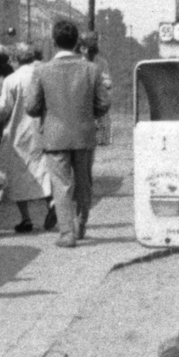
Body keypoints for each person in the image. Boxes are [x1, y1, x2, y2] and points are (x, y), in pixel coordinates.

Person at [26, 20, 111, 248]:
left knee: (61, 185)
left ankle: (67, 233)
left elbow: (31, 107)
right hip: (84, 135)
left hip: (54, 137)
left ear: (53, 42)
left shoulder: (41, 70)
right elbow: (104, 103)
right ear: (76, 43)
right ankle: (81, 224)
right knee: (84, 182)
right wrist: (86, 113)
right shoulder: (91, 69)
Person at [0, 42, 52, 233]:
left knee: (17, 174)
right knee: (43, 170)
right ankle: (52, 204)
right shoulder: (44, 74)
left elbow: (5, 108)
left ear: (15, 59)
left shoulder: (12, 80)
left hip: (19, 132)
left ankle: (26, 219)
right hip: (42, 129)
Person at [73, 31, 113, 238]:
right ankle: (79, 220)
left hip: (86, 120)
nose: (87, 49)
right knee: (84, 175)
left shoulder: (99, 63)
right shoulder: (94, 64)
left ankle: (78, 220)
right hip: (88, 122)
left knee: (79, 175)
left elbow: (107, 86)